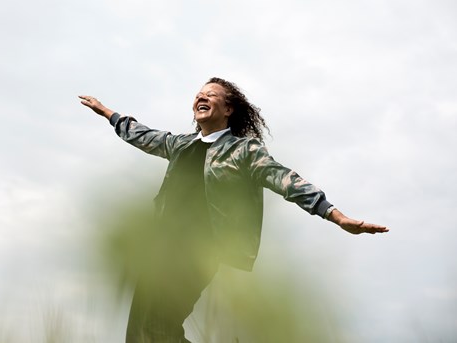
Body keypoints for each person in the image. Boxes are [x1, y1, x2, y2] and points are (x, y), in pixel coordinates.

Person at [79, 77, 388, 343]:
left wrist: (334, 214)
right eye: (199, 93)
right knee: (141, 333)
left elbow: (284, 179)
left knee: (159, 324)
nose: (201, 97)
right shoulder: (180, 145)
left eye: (210, 94)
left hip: (199, 250)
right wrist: (106, 111)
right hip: (161, 249)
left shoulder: (244, 150)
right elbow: (143, 135)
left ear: (228, 109)